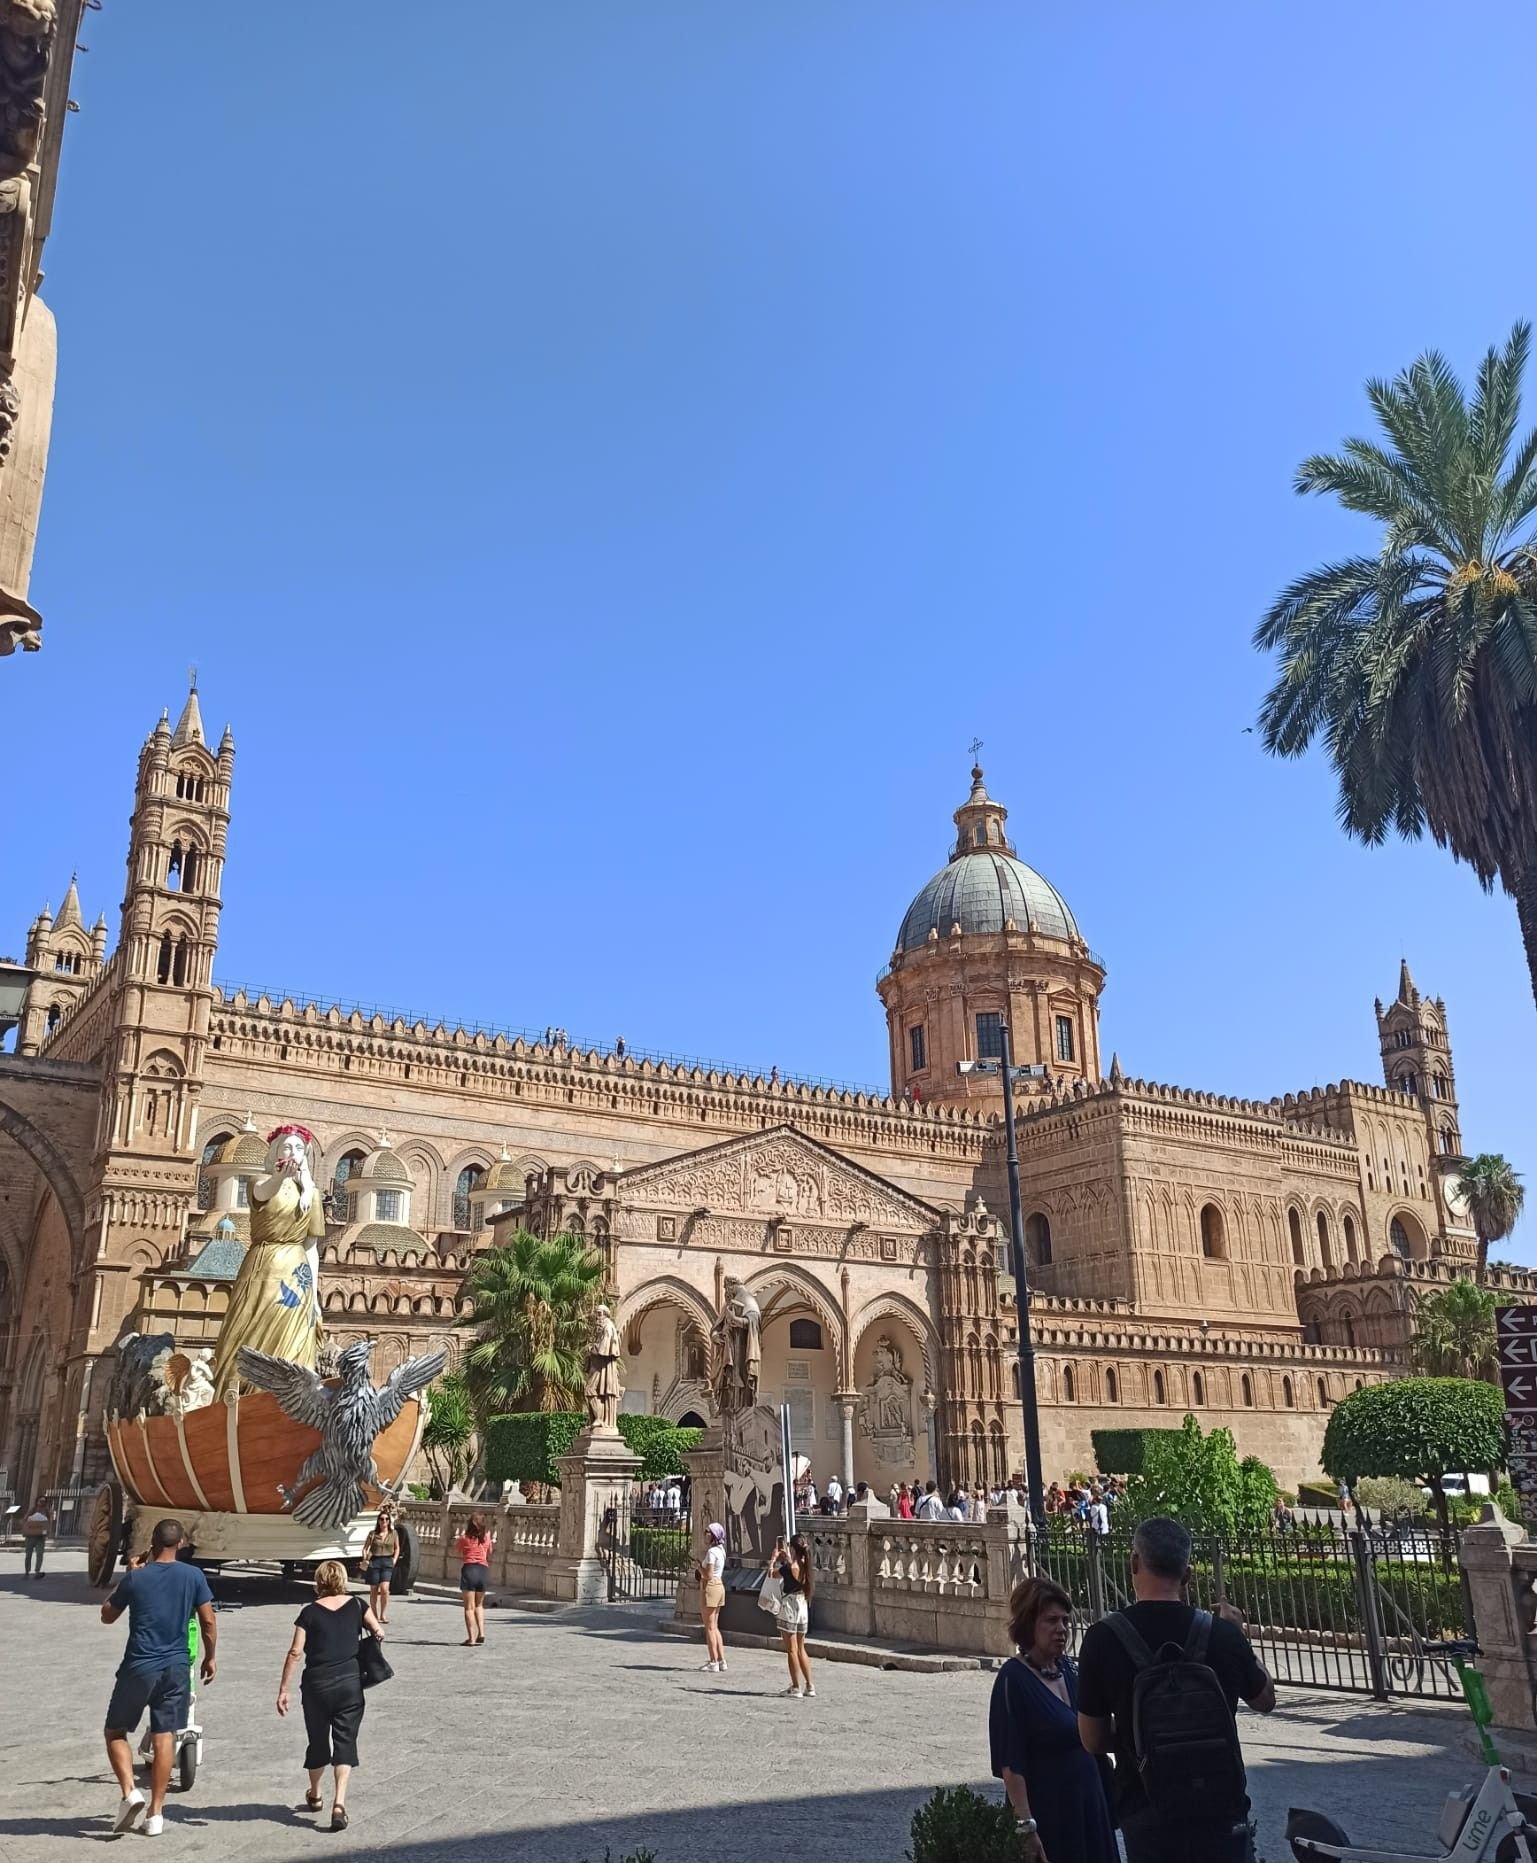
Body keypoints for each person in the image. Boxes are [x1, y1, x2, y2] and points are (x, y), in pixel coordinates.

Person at [1077, 1516, 1275, 1862]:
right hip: (1219, 1804)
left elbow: (1092, 1739)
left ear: (1134, 1562)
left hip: (1147, 1806)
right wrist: (1240, 1637)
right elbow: (1265, 1700)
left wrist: (1139, 1735)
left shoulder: (1103, 1639)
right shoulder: (1223, 1635)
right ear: (1187, 1576)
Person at [100, 1517, 217, 1837]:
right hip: (176, 1667)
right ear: (179, 1544)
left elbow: (107, 1615)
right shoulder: (193, 1576)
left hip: (139, 1665)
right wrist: (210, 1657)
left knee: (115, 1731)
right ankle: (155, 1813)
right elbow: (208, 1622)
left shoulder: (138, 1578)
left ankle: (129, 1792)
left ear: (151, 1543)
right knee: (166, 1736)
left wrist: (128, 1577)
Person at [990, 1577, 1118, 1863]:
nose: (1061, 1629)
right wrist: (1026, 1827)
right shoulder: (1012, 1680)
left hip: (1091, 1810)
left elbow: (1097, 1728)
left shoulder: (1069, 1672)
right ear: (1028, 1624)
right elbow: (1011, 1764)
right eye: (1051, 1621)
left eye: (1065, 1621)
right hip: (1051, 1814)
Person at [210, 1124, 326, 1397]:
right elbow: (263, 1194)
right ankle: (241, 1398)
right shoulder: (259, 1182)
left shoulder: (313, 1195)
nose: (293, 1153)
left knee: (295, 1342)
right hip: (263, 1267)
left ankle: (294, 1403)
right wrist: (279, 1177)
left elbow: (311, 1247)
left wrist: (315, 1299)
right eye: (286, 1146)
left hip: (297, 1275)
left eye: (299, 1148)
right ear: (275, 1151)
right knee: (249, 1332)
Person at [277, 1558, 383, 1831]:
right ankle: (339, 1804)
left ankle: (315, 1794)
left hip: (317, 1685)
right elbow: (378, 1630)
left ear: (320, 1581)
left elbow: (295, 1652)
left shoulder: (309, 1613)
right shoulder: (358, 1605)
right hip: (350, 1683)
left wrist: (284, 1690)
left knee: (317, 1740)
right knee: (345, 1742)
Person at [769, 1532, 815, 1699]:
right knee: (801, 1647)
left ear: (794, 1549)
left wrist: (773, 1559)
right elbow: (794, 1567)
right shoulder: (805, 1565)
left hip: (790, 1606)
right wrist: (788, 1557)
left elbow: (771, 1574)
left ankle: (796, 1686)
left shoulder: (789, 1568)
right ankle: (809, 1685)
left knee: (791, 1650)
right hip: (802, 1605)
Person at [456, 1512, 495, 1646]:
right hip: (483, 1570)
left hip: (469, 1570)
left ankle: (471, 1638)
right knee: (479, 1605)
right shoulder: (487, 1538)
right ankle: (482, 1633)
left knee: (468, 1607)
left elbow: (457, 1551)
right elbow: (490, 1551)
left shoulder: (464, 1538)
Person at [697, 1522, 728, 1673]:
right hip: (719, 1585)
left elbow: (708, 1575)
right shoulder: (721, 1551)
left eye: (707, 1532)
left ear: (713, 1536)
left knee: (709, 1627)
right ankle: (721, 1660)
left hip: (710, 1586)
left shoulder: (711, 1553)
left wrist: (698, 1567)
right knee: (715, 1626)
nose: (705, 1534)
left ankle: (713, 1660)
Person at [359, 1508, 398, 1626]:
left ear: (389, 1521)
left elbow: (397, 1548)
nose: (384, 1521)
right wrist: (365, 1558)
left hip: (387, 1562)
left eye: (386, 1519)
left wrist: (394, 1560)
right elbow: (365, 1548)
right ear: (378, 1521)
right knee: (374, 1590)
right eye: (382, 1519)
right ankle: (374, 1614)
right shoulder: (373, 1534)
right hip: (374, 1561)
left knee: (385, 1588)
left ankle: (383, 1614)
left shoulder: (393, 1534)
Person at [21, 1492, 50, 1578]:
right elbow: (25, 1520)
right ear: (37, 1501)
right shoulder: (33, 1509)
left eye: (44, 1501)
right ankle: (27, 1571)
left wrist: (47, 1532)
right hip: (30, 1536)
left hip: (40, 1537)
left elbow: (48, 1523)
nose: (42, 1503)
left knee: (39, 1554)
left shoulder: (47, 1511)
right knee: (28, 1554)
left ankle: (37, 1571)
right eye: (40, 1501)